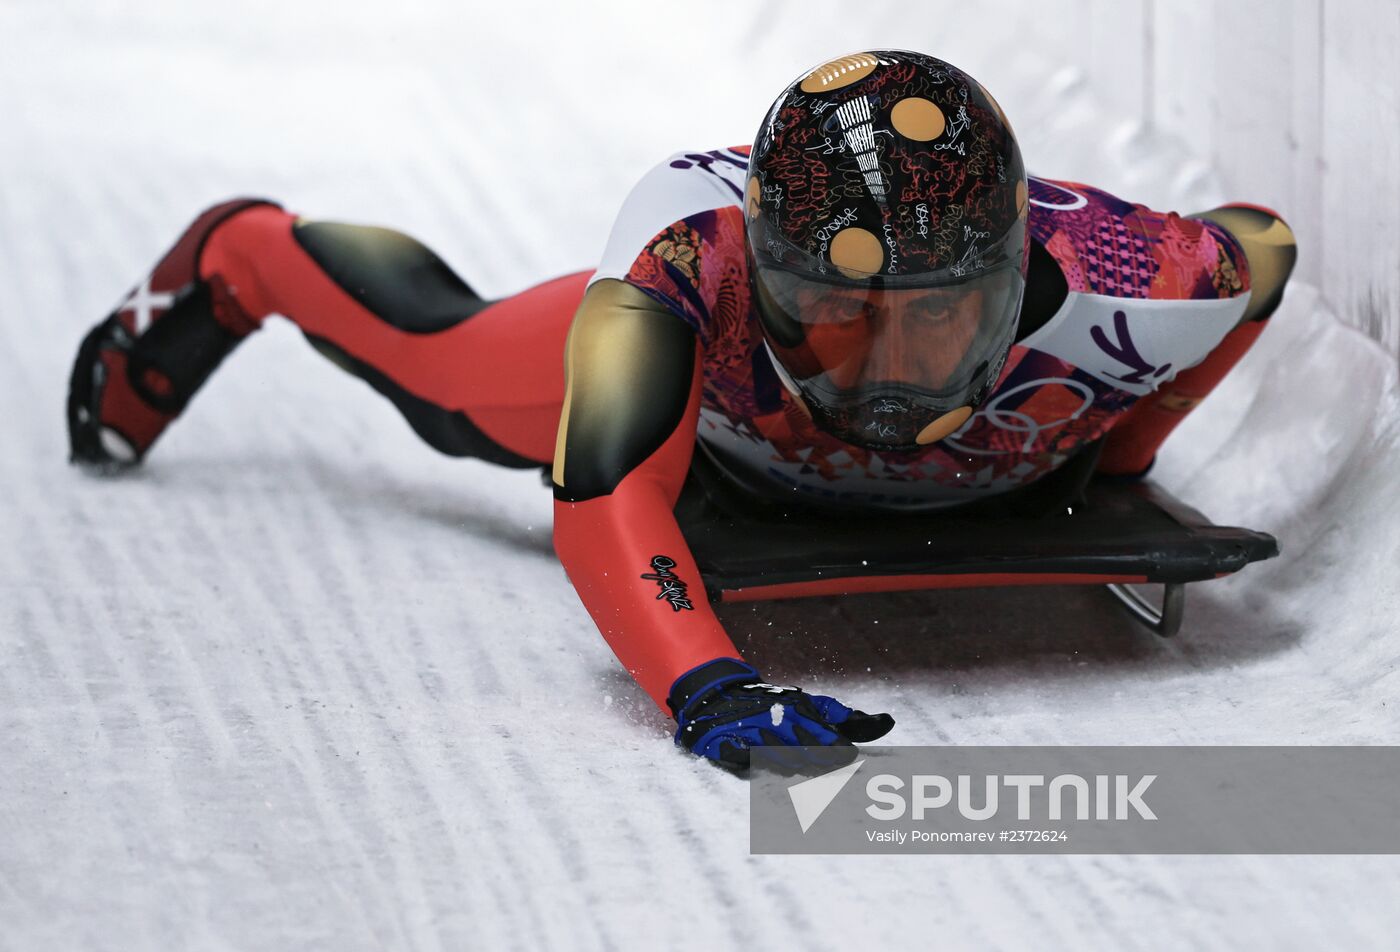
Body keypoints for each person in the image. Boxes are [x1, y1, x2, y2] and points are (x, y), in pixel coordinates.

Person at [67, 50, 1296, 769]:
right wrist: (704, 684)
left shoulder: (1146, 275)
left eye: (932, 315)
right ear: (753, 270)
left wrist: (1114, 446)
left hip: (779, 415)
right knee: (439, 378)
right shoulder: (674, 268)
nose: (881, 366)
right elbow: (603, 500)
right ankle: (247, 254)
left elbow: (1262, 250)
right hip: (709, 422)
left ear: (1016, 277)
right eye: (827, 311)